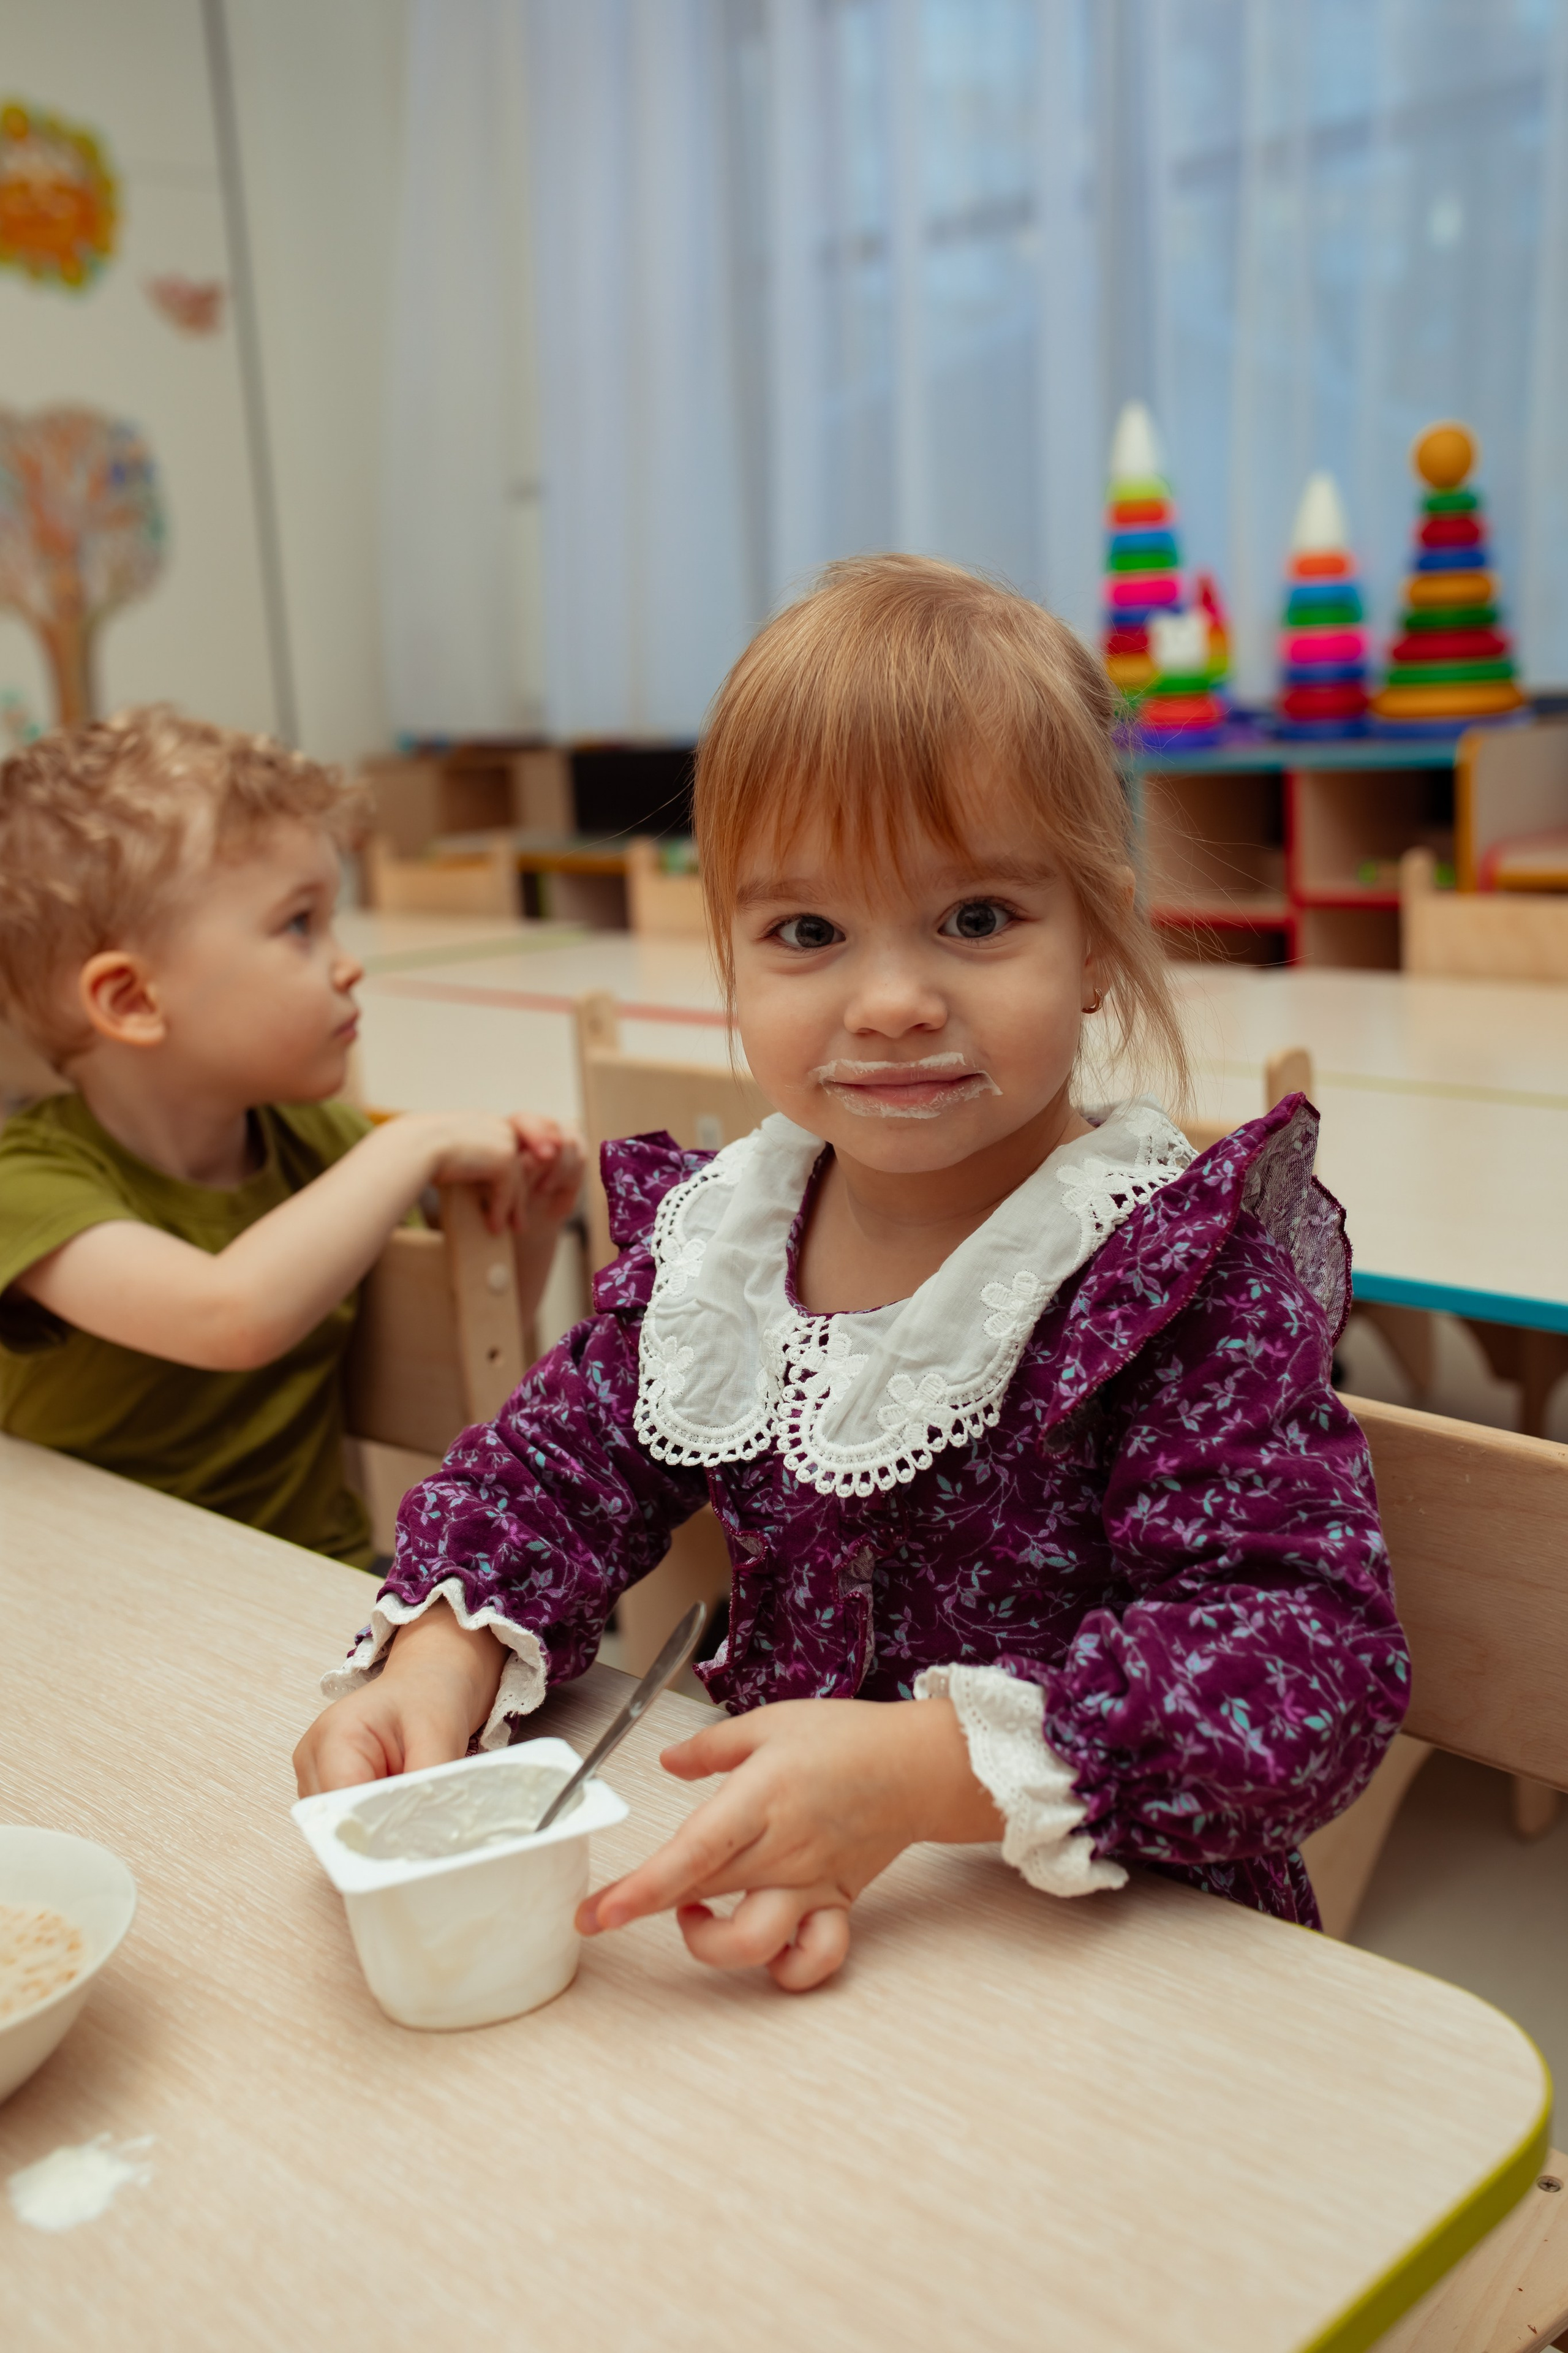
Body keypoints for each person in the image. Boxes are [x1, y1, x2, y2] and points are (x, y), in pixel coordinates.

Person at [295, 556, 1404, 1989]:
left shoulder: (1171, 1281)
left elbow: (1299, 1664)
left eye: (976, 919)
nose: (889, 1001)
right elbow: (554, 1468)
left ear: (1092, 940)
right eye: (808, 933)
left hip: (1121, 1958)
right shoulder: (729, 1236)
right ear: (731, 958)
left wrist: (924, 1769)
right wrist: (438, 1649)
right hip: (801, 1933)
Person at [0, 706, 581, 1567]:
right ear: (132, 1001)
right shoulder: (24, 1183)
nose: (348, 963)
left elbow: (462, 1331)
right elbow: (228, 1315)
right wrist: (408, 1143)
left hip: (309, 1585)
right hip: (85, 1604)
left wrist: (522, 1222)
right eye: (299, 924)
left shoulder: (315, 1138)